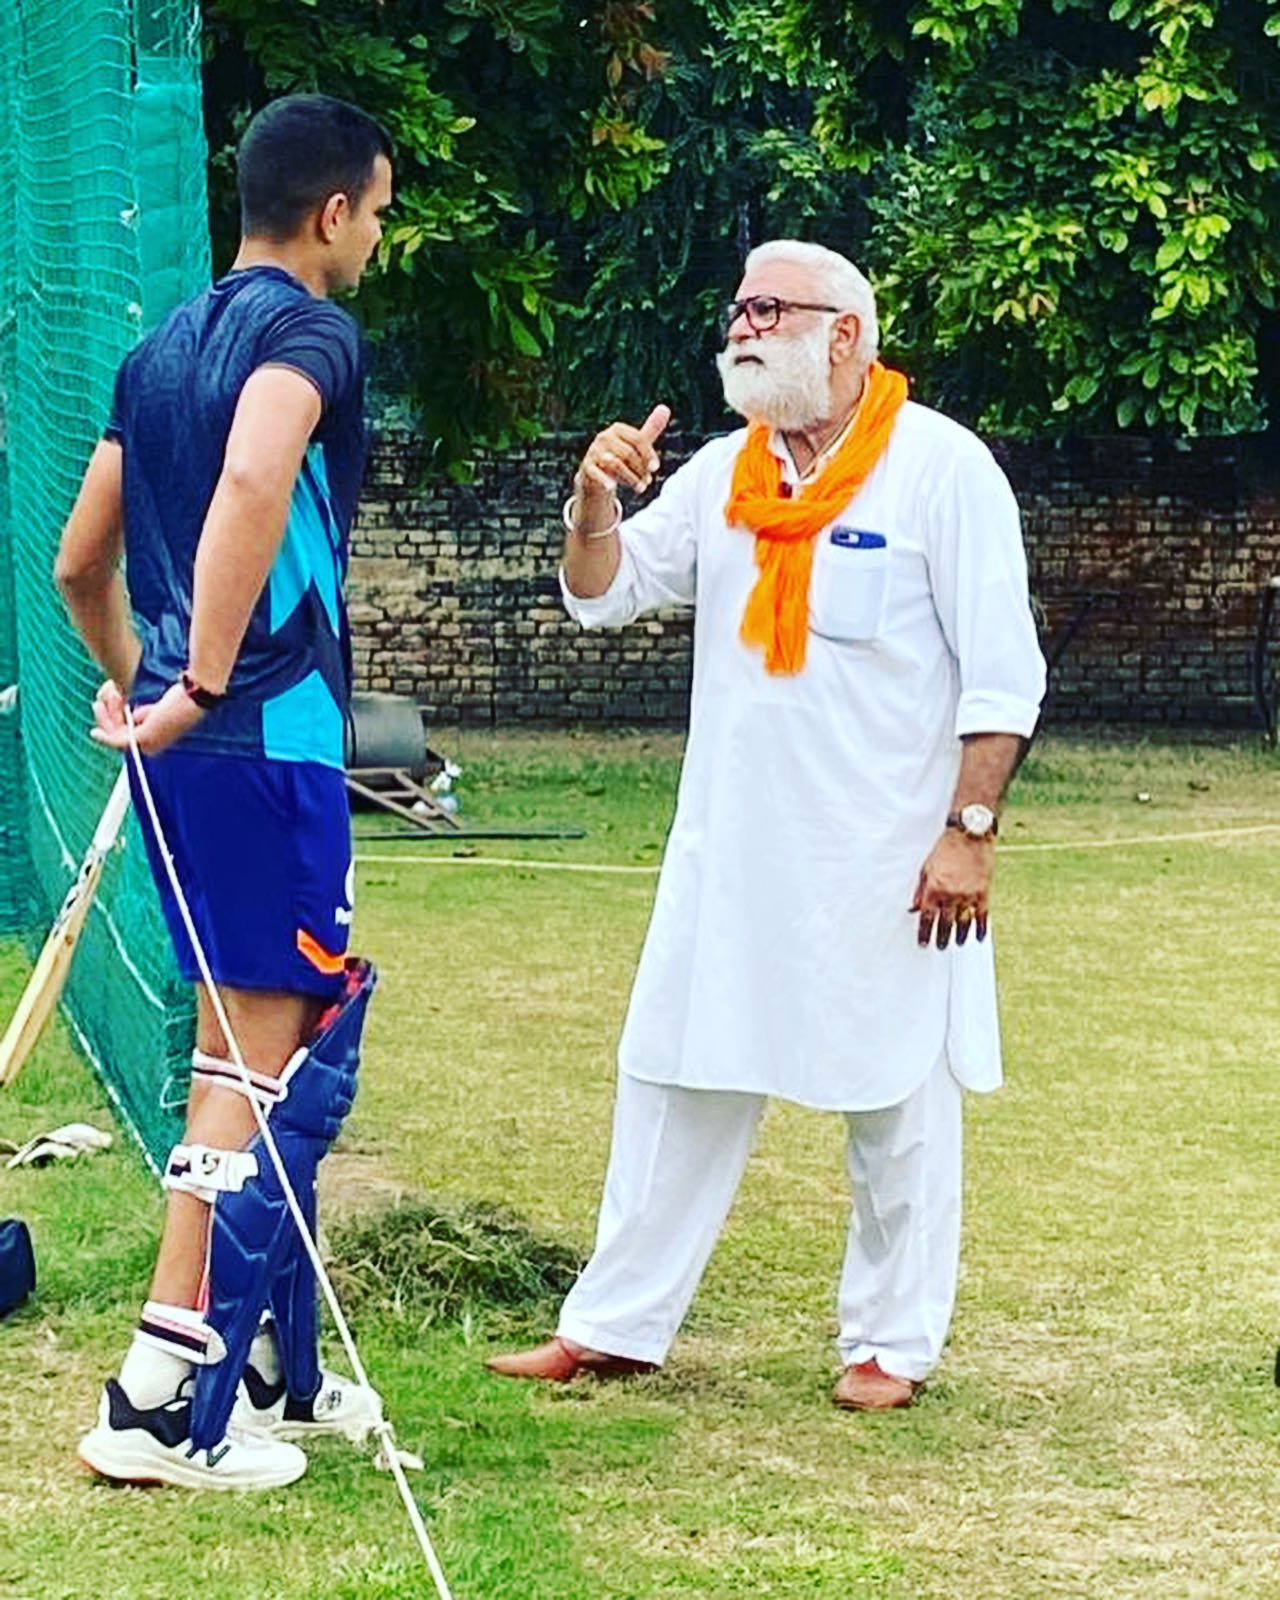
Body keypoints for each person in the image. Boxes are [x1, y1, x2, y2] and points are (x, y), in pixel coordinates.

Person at [489, 240, 1046, 1409]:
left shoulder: (941, 470)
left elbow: (1004, 676)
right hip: (732, 853)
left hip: (887, 857)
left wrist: (969, 829)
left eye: (767, 309)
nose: (739, 328)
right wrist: (593, 504)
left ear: (843, 333)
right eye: (736, 308)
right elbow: (605, 594)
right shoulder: (727, 472)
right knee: (669, 1074)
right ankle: (613, 1324)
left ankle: (889, 1344)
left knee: (896, 1099)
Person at [56, 94, 393, 1488]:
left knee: (239, 1046)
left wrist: (136, 683)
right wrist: (196, 678)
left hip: (200, 757)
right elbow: (260, 467)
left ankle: (273, 1370)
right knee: (265, 1069)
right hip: (265, 743)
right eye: (377, 211)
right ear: (330, 215)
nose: (379, 236)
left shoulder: (156, 350)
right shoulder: (309, 332)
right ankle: (155, 1406)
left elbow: (83, 559)